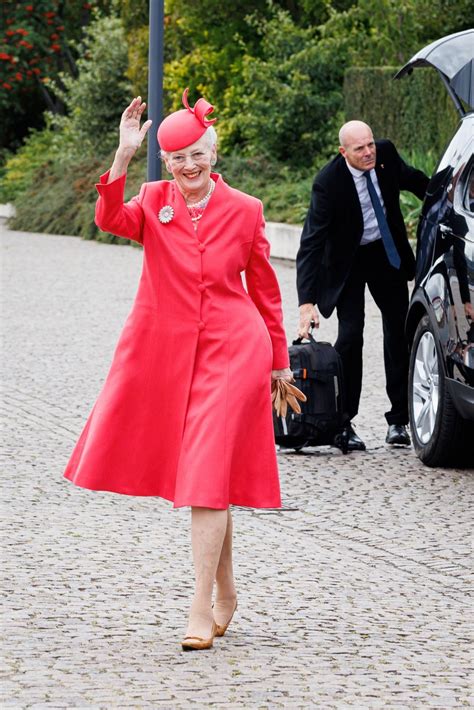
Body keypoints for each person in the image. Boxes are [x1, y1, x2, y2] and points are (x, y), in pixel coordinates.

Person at [64, 90, 292, 650]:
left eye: (197, 154)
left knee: (206, 471)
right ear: (165, 163)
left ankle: (198, 606)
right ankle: (227, 591)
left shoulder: (246, 209)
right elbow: (110, 220)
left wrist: (280, 363)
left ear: (213, 153)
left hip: (236, 350)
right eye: (177, 159)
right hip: (170, 354)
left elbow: (264, 291)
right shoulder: (152, 198)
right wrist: (121, 157)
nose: (188, 166)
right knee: (208, 479)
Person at [296, 120, 429, 451]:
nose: (369, 152)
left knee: (399, 330)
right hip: (347, 263)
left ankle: (399, 420)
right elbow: (311, 242)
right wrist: (306, 302)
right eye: (360, 148)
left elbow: (416, 181)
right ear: (344, 152)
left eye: (370, 144)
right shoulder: (328, 183)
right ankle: (343, 423)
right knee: (351, 336)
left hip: (385, 253)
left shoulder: (384, 154)